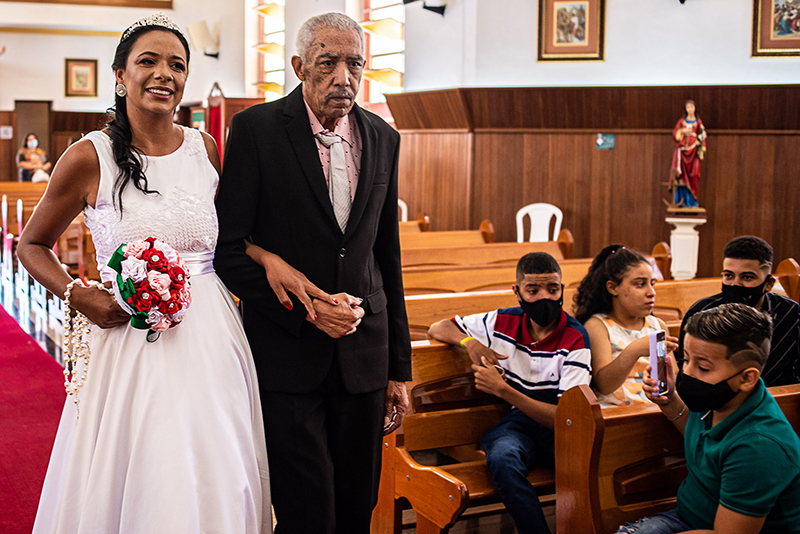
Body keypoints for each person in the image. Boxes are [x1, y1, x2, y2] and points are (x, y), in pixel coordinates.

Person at [18, 14, 271, 533]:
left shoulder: (205, 148)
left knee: (217, 461)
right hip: (129, 334)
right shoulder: (88, 156)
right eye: (148, 61)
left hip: (210, 332)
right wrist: (77, 293)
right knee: (148, 464)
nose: (164, 74)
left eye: (177, 65)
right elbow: (31, 245)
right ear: (120, 75)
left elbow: (232, 239)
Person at [214, 12, 411, 534]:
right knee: (307, 516)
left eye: (355, 64)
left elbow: (386, 257)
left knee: (356, 510)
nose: (344, 78)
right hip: (288, 357)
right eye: (328, 63)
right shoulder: (257, 130)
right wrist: (308, 311)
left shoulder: (384, 137)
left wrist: (398, 368)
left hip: (364, 358)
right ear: (300, 66)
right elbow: (228, 251)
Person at [428, 252, 592, 534]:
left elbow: (565, 419)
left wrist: (502, 390)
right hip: (521, 424)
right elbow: (438, 327)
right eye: (533, 290)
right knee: (503, 456)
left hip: (562, 427)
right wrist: (470, 343)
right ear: (517, 292)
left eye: (553, 289)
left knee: (582, 462)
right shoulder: (502, 321)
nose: (544, 298)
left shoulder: (575, 338)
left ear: (562, 290)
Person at [616, 303, 800, 534]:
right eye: (686, 360)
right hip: (688, 516)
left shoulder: (759, 447)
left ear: (747, 378)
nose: (688, 373)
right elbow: (702, 438)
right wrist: (669, 400)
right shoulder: (722, 400)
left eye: (703, 367)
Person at [676, 235, 799, 386]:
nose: (735, 284)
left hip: (774, 397)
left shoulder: (792, 314)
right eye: (729, 276)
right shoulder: (701, 312)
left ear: (768, 284)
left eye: (747, 277)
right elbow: (686, 373)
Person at [574, 245, 677, 407]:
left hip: (656, 410)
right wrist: (635, 350)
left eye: (652, 284)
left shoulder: (657, 325)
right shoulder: (598, 326)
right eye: (640, 284)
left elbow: (672, 379)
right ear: (613, 288)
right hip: (615, 413)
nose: (651, 292)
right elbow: (604, 385)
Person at [669, 100, 706, 208]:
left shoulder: (698, 122)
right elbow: (675, 133)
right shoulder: (681, 122)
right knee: (680, 176)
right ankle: (680, 201)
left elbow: (702, 135)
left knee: (694, 174)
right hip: (682, 153)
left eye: (692, 107)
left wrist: (702, 150)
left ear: (695, 108)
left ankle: (691, 201)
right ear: (685, 109)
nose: (690, 109)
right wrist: (682, 131)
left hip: (693, 153)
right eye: (688, 107)